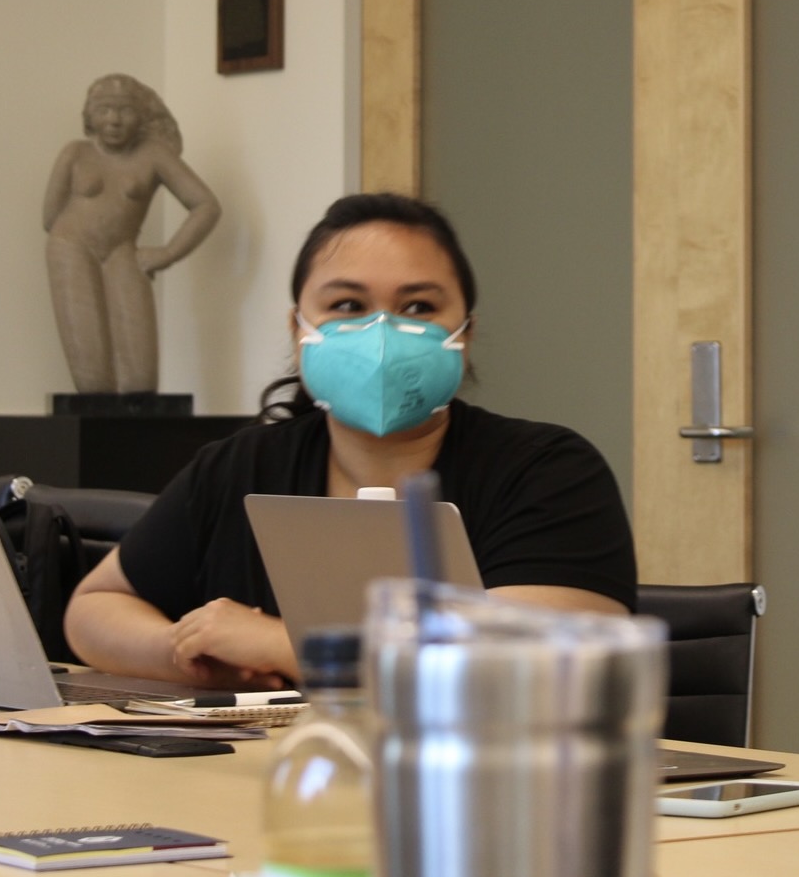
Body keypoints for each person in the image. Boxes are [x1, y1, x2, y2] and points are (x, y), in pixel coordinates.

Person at [64, 192, 637, 687]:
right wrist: (183, 652)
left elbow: (534, 660)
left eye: (419, 306)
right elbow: (95, 608)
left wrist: (284, 645)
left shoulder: (549, 472)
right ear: (299, 330)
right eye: (347, 306)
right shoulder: (239, 467)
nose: (382, 331)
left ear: (465, 333)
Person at [43, 74, 221, 394]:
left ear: (141, 116)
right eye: (105, 110)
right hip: (71, 247)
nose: (114, 120)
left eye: (125, 110)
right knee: (93, 382)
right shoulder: (76, 153)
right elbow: (49, 216)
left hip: (123, 252)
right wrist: (76, 236)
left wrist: (166, 254)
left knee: (140, 382)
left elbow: (206, 205)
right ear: (90, 117)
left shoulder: (153, 155)